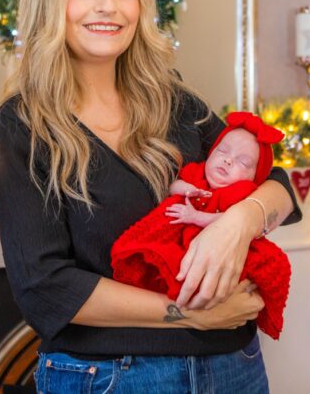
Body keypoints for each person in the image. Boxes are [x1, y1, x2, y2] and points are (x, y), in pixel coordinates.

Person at [0, 0, 301, 393]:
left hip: (233, 367)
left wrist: (239, 224)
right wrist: (189, 314)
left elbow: (278, 183)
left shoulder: (174, 101)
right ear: (51, 1)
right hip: (110, 377)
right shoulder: (22, 125)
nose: (107, 7)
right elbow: (44, 284)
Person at [111, 111, 292, 340]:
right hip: (178, 236)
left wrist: (196, 216)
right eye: (222, 152)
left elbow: (227, 220)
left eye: (243, 162)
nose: (227, 160)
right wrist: (185, 189)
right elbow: (174, 185)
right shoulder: (196, 172)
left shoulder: (241, 192)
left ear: (254, 177)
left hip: (208, 237)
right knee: (159, 255)